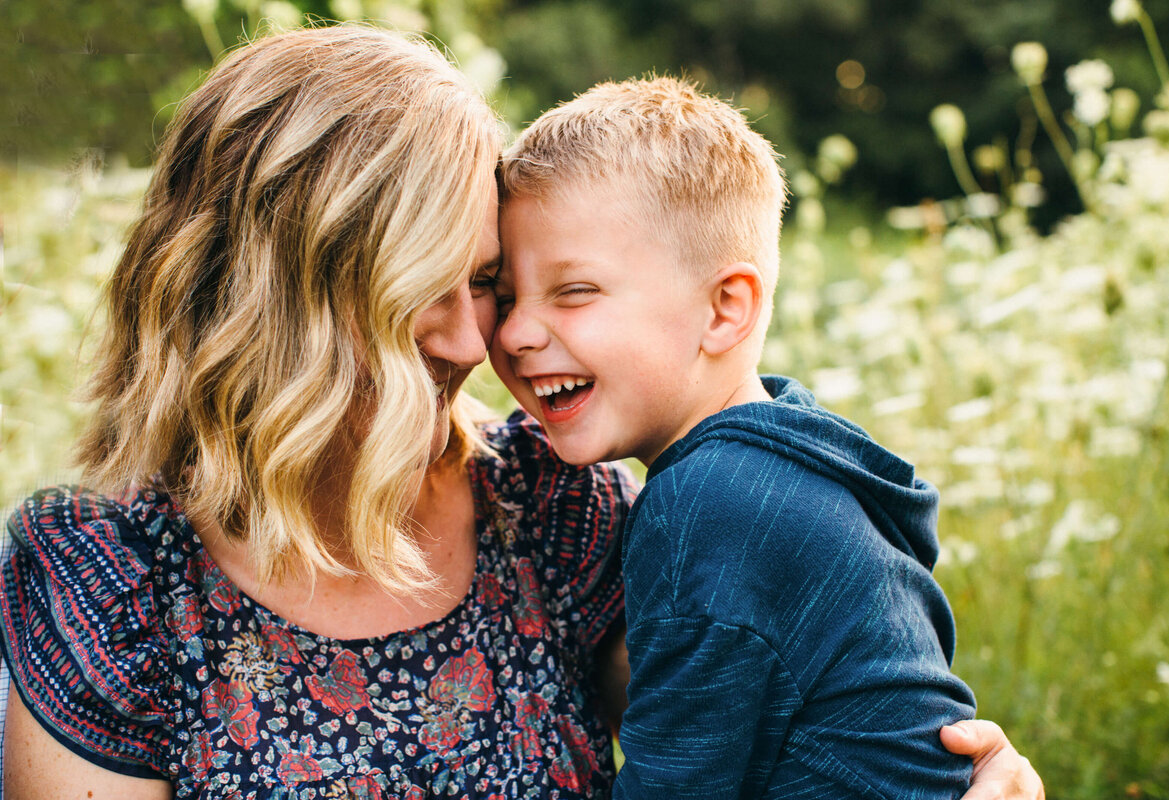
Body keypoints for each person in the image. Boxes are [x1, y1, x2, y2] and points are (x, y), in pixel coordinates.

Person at [0, 24, 1041, 800]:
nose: (475, 342)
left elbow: (783, 714)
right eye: (420, 292)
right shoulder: (112, 580)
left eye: (487, 282)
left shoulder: (556, 506)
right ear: (279, 298)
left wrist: (954, 766)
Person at [491, 76, 986, 798]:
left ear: (726, 309)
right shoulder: (795, 450)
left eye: (573, 291)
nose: (513, 332)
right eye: (504, 297)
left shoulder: (709, 505)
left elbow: (676, 786)